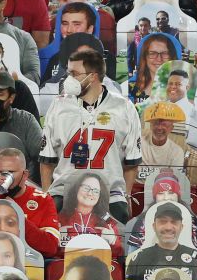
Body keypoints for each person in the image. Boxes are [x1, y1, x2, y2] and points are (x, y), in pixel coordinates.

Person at [39, 48, 142, 222]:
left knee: (121, 218)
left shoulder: (124, 107)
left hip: (109, 192)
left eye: (74, 73)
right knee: (51, 219)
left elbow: (132, 162)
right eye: (68, 73)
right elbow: (46, 160)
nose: (68, 79)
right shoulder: (58, 106)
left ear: (93, 76)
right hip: (64, 189)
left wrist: (126, 195)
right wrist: (46, 195)